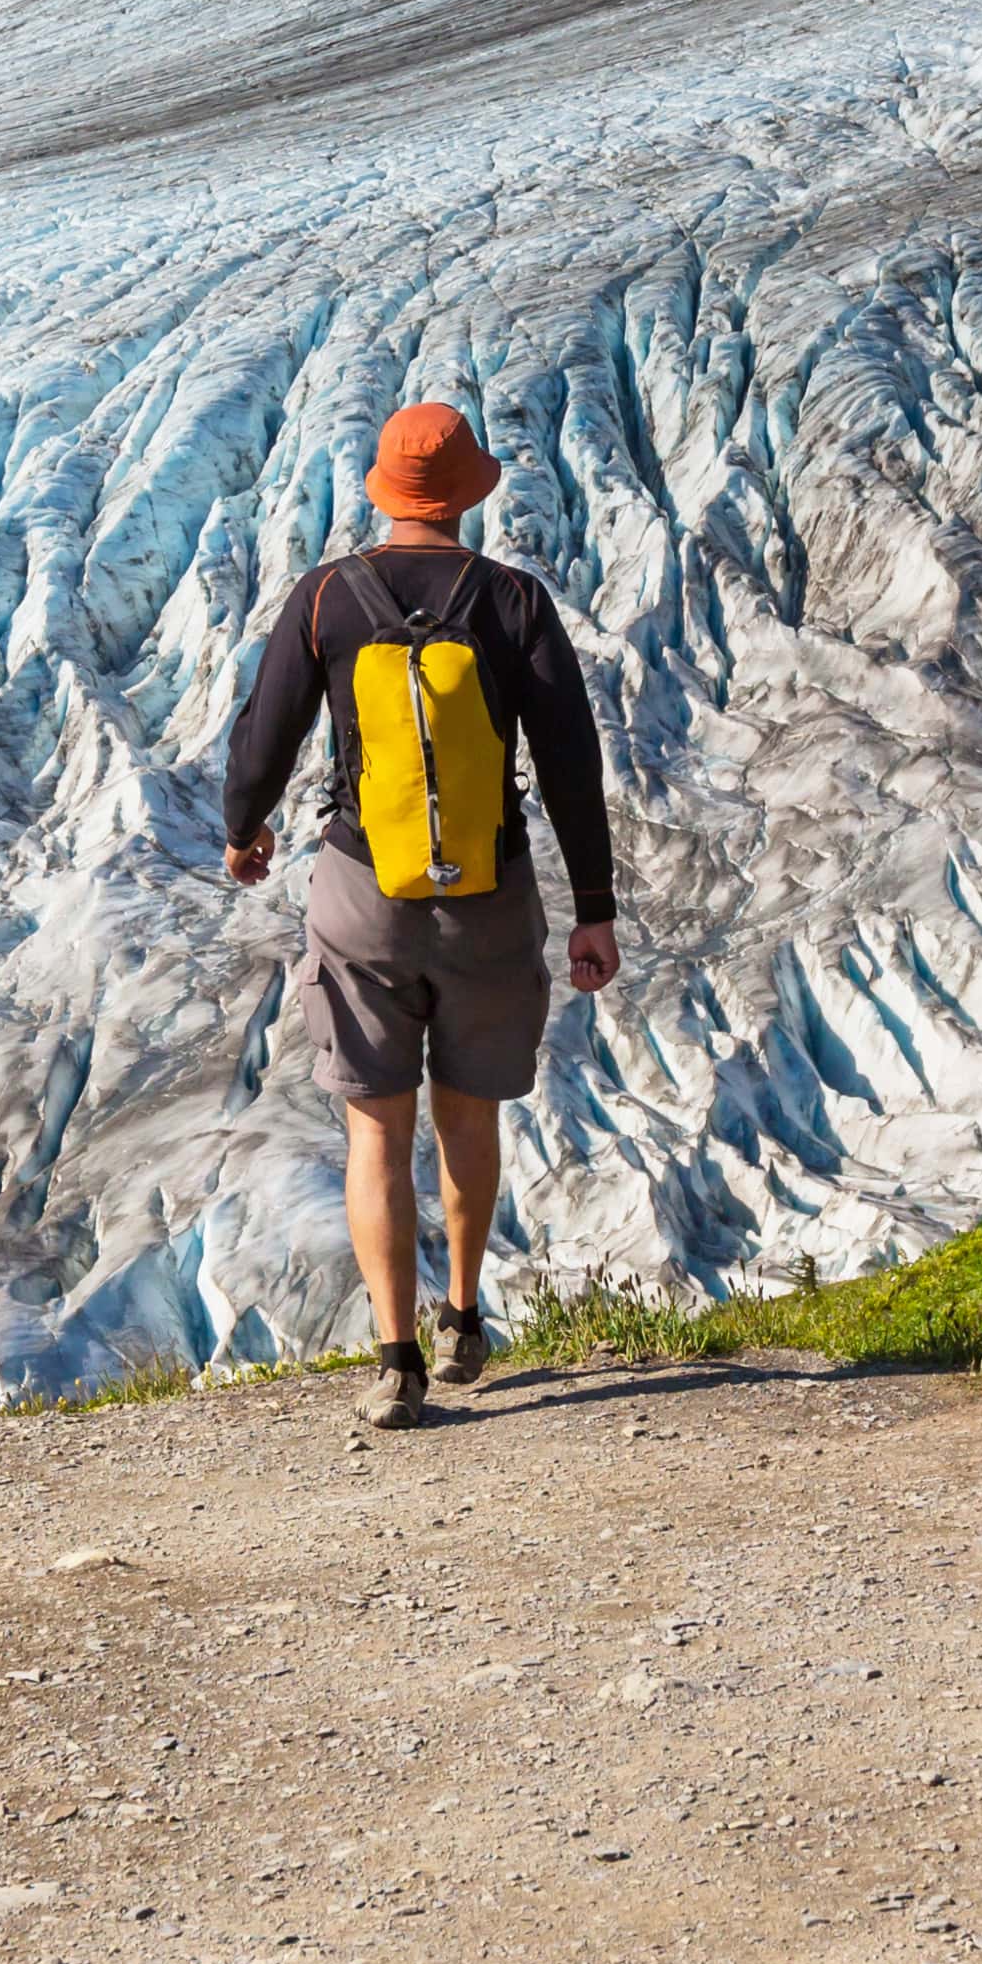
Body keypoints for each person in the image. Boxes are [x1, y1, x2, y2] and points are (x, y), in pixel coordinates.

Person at [221, 402, 622, 1428]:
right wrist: (593, 908)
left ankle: (393, 1360)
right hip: (487, 895)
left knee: (374, 1131)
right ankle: (461, 1318)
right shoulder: (513, 602)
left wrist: (245, 828)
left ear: (385, 493)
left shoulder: (327, 599)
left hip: (364, 893)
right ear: (468, 494)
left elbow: (266, 735)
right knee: (466, 1115)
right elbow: (572, 764)